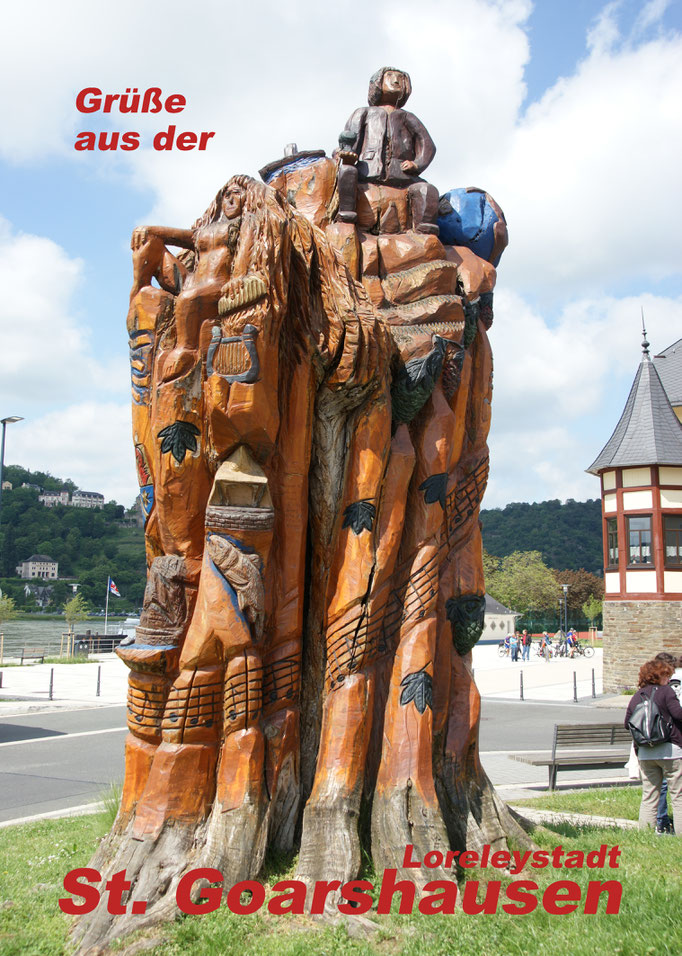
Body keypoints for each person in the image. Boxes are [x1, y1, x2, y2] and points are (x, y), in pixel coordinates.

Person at [336, 67, 439, 233]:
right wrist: (347, 154)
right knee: (347, 171)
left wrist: (416, 164)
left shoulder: (407, 117)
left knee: (427, 191)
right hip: (367, 170)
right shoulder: (363, 113)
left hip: (402, 175)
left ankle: (424, 230)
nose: (396, 81)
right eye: (389, 76)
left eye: (400, 78)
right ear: (377, 83)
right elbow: (350, 138)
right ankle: (347, 215)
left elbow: (427, 145)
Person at [624, 658, 682, 834]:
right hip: (670, 750)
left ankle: (645, 836)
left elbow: (628, 723)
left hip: (646, 753)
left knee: (649, 797)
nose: (669, 679)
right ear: (660, 676)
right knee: (678, 797)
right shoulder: (666, 692)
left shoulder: (637, 695)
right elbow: (678, 715)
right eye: (667, 675)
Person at [653, 652, 682, 833]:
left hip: (657, 737)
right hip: (674, 736)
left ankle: (660, 819)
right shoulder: (669, 685)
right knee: (676, 787)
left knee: (660, 783)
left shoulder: (655, 684)